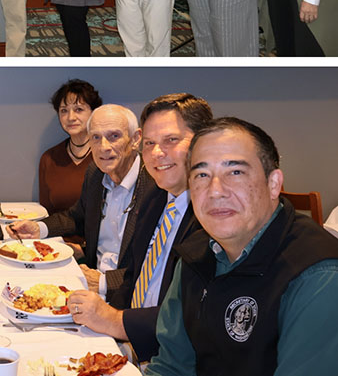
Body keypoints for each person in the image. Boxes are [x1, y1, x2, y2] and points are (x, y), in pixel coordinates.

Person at [145, 117, 338, 376]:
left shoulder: (319, 277)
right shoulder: (194, 256)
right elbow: (170, 367)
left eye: (235, 172)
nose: (215, 191)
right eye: (202, 175)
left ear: (273, 184)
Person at [67, 93, 212, 363]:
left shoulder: (212, 216)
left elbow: (193, 313)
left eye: (171, 140)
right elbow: (133, 277)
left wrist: (116, 322)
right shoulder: (156, 198)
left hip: (175, 358)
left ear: (203, 142)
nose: (157, 153)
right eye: (150, 143)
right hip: (132, 343)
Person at [9, 104, 164, 304]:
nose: (103, 147)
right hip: (89, 282)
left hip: (129, 297)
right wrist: (38, 229)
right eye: (96, 137)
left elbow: (156, 264)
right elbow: (77, 217)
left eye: (114, 136)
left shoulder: (156, 186)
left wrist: (104, 282)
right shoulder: (95, 173)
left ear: (135, 139)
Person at [38, 79, 103, 218]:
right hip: (57, 237)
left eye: (78, 109)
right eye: (64, 111)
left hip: (97, 239)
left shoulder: (105, 155)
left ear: (93, 113)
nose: (70, 117)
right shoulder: (49, 159)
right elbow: (46, 213)